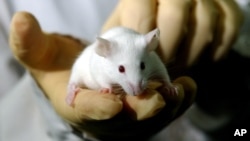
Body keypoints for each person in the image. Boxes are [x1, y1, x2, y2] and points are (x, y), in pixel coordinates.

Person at [0, 0, 246, 141]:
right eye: (121, 69)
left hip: (224, 127)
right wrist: (52, 112)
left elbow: (157, 67)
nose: (136, 85)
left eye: (140, 66)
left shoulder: (144, 49)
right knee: (80, 72)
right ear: (104, 51)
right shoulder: (99, 56)